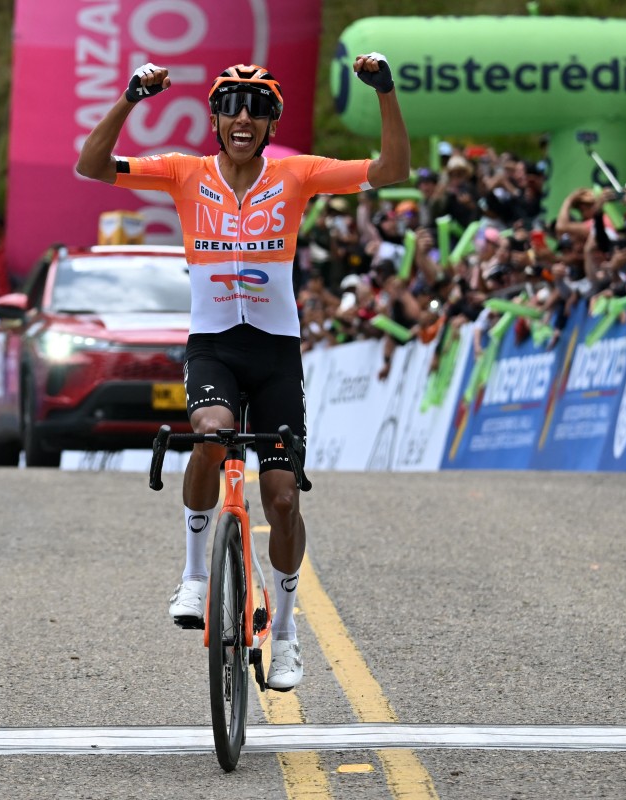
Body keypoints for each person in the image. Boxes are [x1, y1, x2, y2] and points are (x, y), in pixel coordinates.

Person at [75, 54, 409, 691]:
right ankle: (196, 577)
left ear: (271, 122)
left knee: (282, 500)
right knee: (210, 433)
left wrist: (386, 92)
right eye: (231, 107)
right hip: (214, 348)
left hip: (275, 355)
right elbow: (92, 166)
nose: (243, 119)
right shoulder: (183, 173)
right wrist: (129, 98)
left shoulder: (297, 175)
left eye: (257, 110)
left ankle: (284, 635)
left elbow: (393, 170)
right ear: (214, 118)